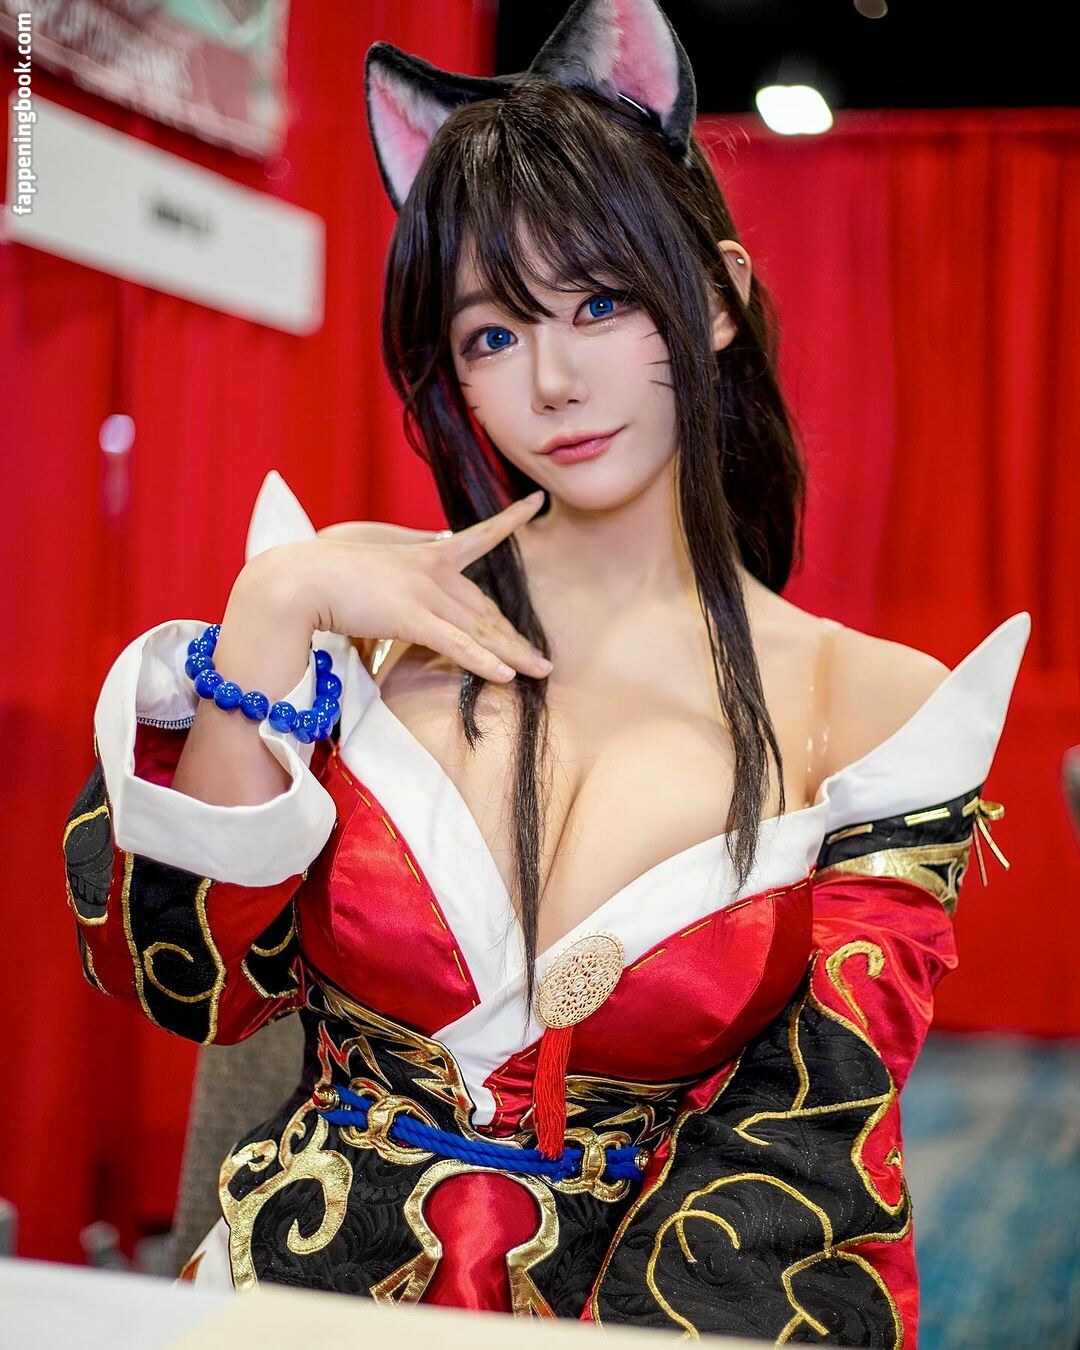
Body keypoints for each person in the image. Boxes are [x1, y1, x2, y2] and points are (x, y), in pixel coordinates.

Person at [63, 0, 1029, 1340]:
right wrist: (273, 610)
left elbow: (802, 1172)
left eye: (601, 303)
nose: (555, 381)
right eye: (493, 335)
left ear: (719, 300)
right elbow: (184, 977)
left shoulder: (868, 709)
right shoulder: (360, 637)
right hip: (287, 1301)